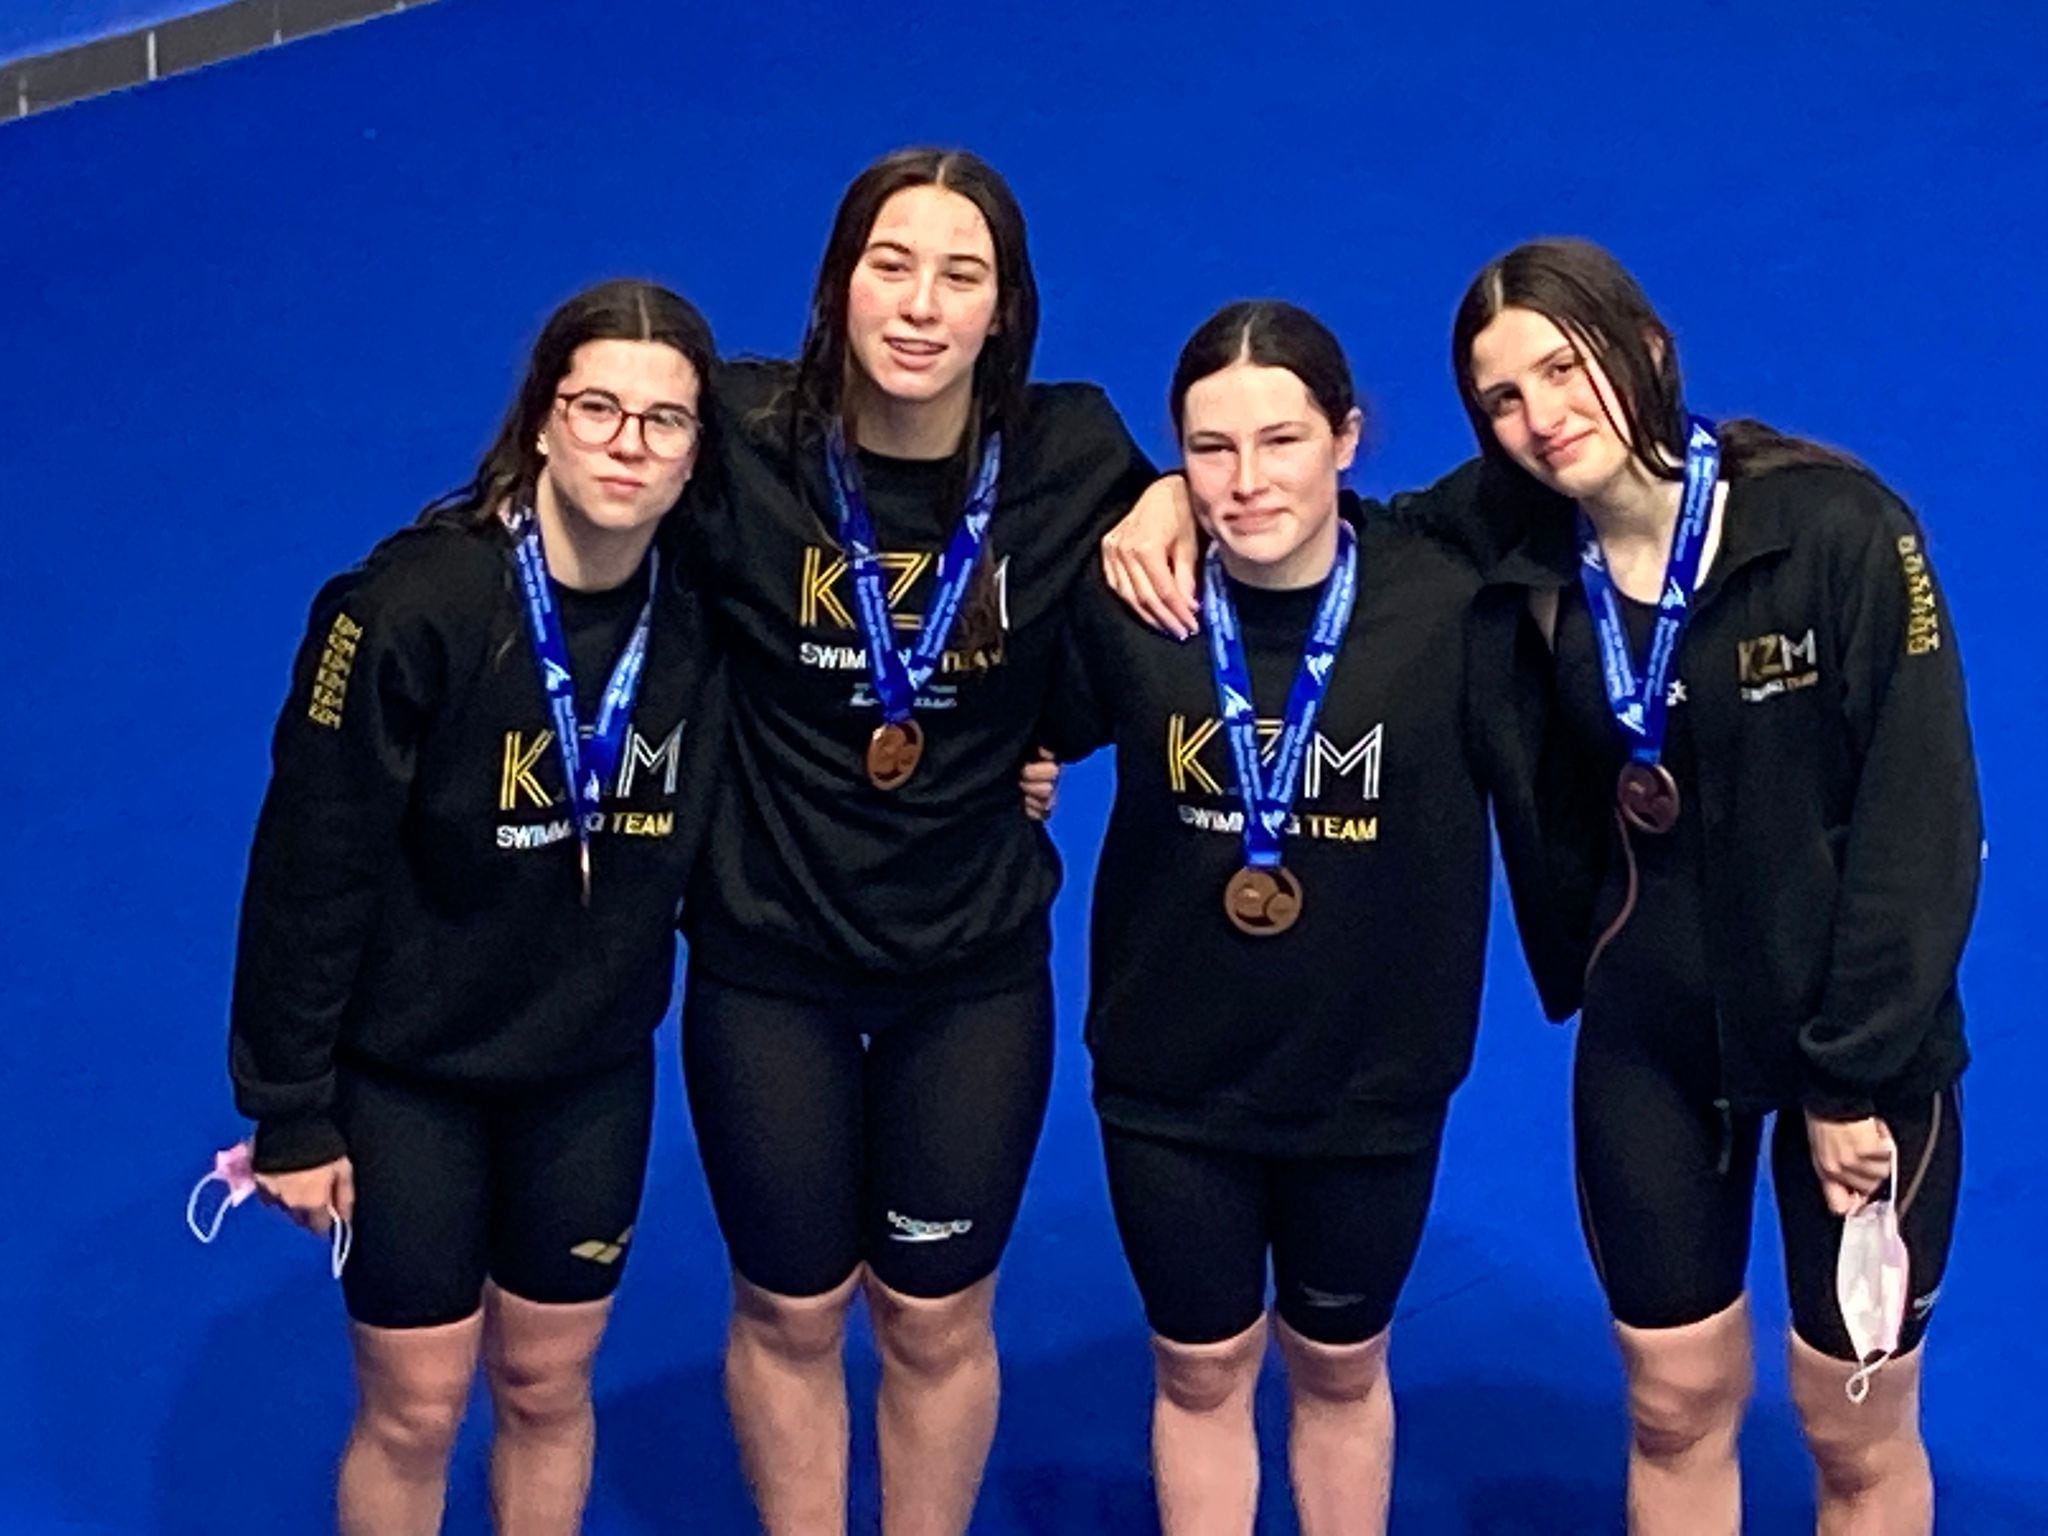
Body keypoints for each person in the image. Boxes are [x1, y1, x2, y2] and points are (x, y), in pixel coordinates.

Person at [1455, 236, 1979, 1535]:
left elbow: (1922, 827)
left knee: (1849, 1424)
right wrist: (1168, 502)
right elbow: (1335, 521)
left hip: (1851, 1059)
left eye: (1563, 369)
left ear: (1644, 348)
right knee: (1673, 1404)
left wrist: (1851, 1075)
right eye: (1502, 399)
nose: (1541, 418)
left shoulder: (1838, 530)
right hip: (1650, 1041)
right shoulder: (1525, 556)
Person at [676, 147, 1155, 1534]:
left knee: (938, 1317)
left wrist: (1177, 495)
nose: (922, 305)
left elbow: (1159, 590)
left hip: (969, 965)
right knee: (790, 1308)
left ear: (1005, 310)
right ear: (837, 286)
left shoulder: (1071, 456)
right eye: (891, 265)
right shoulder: (741, 440)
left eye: (963, 274)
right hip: (770, 958)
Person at [227, 279, 726, 1536]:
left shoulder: (708, 615)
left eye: (663, 422)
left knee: (547, 1383)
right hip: (411, 1082)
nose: (628, 443)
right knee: (416, 1405)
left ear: (697, 453)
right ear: (542, 423)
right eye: (597, 407)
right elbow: (308, 866)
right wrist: (289, 1109)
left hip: (587, 1072)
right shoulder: (411, 609)